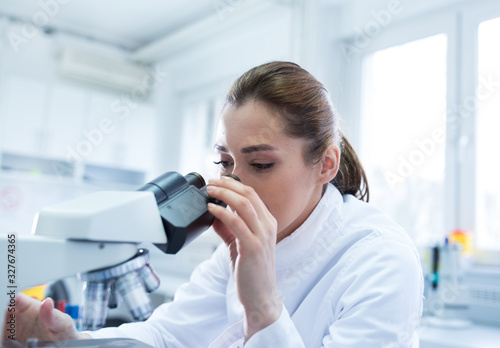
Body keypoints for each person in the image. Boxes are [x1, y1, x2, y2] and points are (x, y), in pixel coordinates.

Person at [5, 61, 423, 347]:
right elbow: (168, 337)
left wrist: (262, 305)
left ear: (326, 164)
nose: (233, 183)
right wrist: (71, 338)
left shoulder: (380, 259)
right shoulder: (237, 248)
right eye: (225, 163)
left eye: (260, 163)